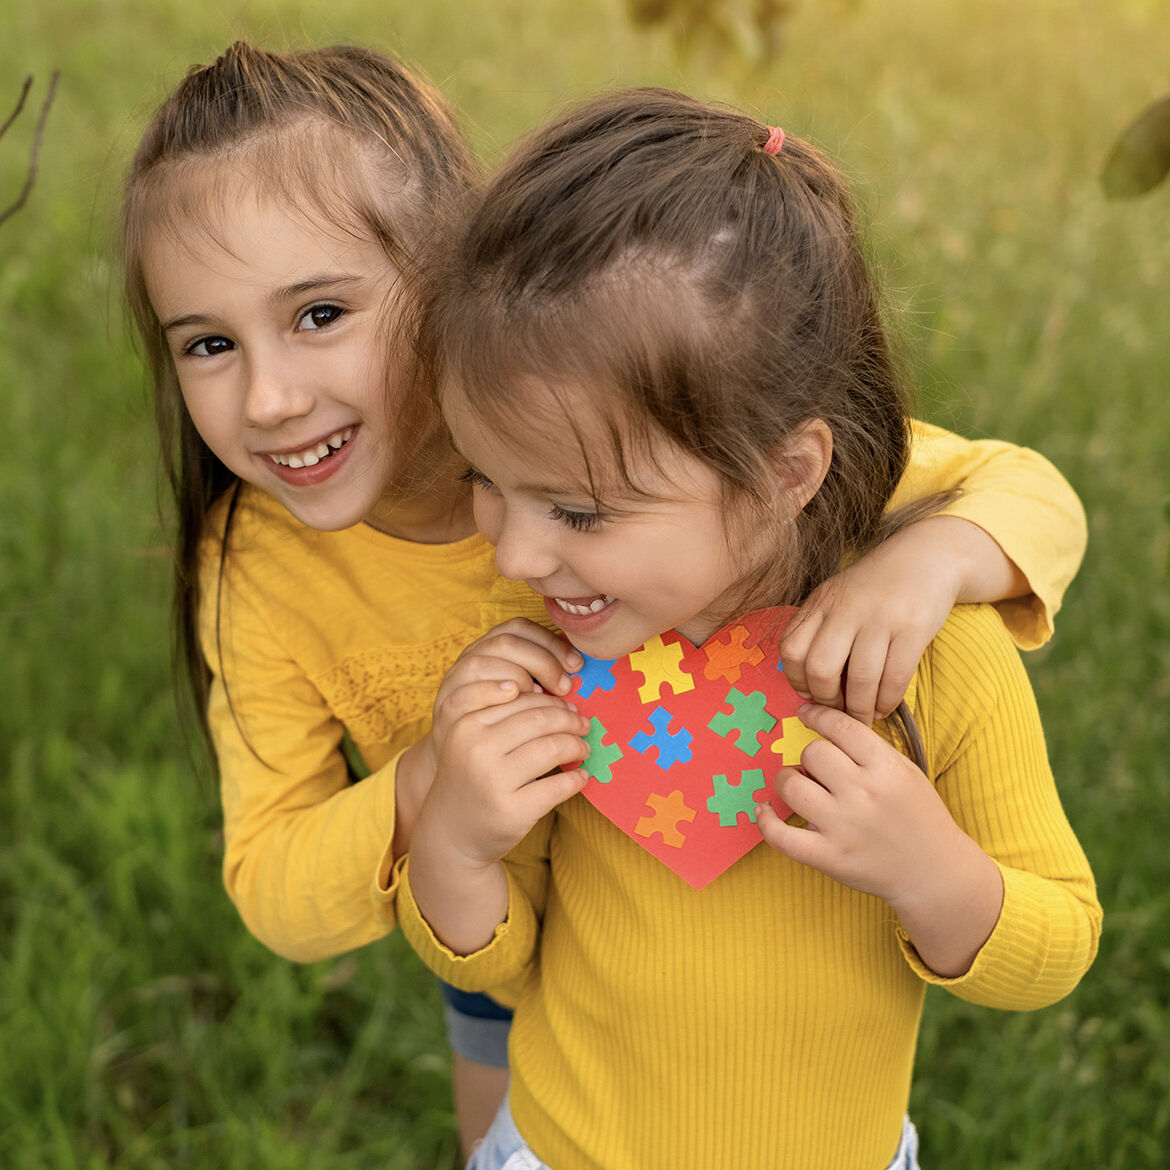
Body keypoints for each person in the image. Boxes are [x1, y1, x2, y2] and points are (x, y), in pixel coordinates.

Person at [122, 45, 1086, 1155]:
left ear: (447, 285)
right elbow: (279, 886)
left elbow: (1022, 487)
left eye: (320, 315)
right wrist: (442, 789)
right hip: (484, 879)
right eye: (206, 342)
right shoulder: (267, 572)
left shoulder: (631, 410)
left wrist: (932, 562)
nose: (273, 397)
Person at [397, 89, 1102, 1169]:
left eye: (579, 511)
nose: (516, 556)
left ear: (785, 473)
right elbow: (500, 961)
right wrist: (453, 836)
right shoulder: (546, 653)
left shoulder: (932, 661)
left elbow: (1055, 949)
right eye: (489, 483)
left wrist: (928, 871)